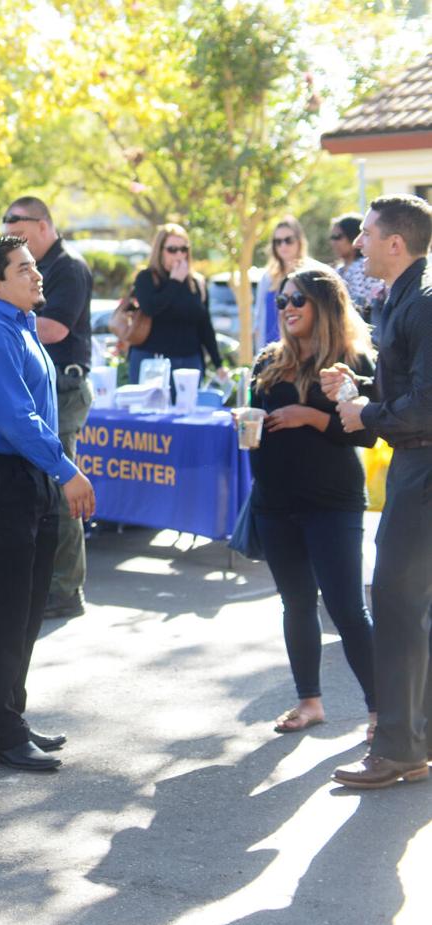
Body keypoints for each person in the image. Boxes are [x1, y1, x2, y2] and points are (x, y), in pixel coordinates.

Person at [0, 235, 94, 772]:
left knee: (28, 608)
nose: (37, 276)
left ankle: (12, 716)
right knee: (4, 613)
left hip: (26, 476)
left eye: (35, 266)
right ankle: (1, 734)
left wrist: (52, 471)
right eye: (23, 269)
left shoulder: (18, 325)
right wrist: (67, 469)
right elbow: (15, 418)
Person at [325, 195, 432, 789]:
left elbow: (426, 406)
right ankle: (413, 738)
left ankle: (398, 750)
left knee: (396, 607)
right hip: (415, 469)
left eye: (366, 234)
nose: (357, 243)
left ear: (396, 242)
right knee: (409, 609)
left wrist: (366, 412)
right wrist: (362, 384)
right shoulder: (409, 294)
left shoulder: (424, 299)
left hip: (423, 471)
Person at [245, 264, 377, 740]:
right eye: (282, 301)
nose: (288, 309)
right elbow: (250, 419)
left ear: (324, 305)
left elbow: (365, 432)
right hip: (275, 502)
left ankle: (382, 713)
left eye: (297, 299)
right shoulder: (268, 360)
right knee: (296, 603)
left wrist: (307, 416)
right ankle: (310, 703)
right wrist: (245, 425)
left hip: (332, 502)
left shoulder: (349, 365)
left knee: (345, 607)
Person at [3, 196, 94, 620]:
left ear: (42, 225)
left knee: (63, 486)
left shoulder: (67, 266)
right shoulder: (39, 267)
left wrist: (2, 320)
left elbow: (55, 328)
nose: (13, 240)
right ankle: (49, 584)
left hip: (66, 387)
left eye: (18, 231)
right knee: (45, 488)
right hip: (45, 386)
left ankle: (65, 590)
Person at [128, 223, 224, 381]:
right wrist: (175, 282)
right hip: (153, 360)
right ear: (160, 251)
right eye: (172, 249)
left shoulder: (196, 283)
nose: (179, 254)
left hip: (189, 362)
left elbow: (204, 325)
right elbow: (150, 308)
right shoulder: (147, 278)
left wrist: (218, 364)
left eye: (184, 249)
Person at [255, 216, 308, 350]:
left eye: (288, 240)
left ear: (299, 241)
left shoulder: (310, 273)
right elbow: (259, 320)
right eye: (278, 241)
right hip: (271, 351)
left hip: (302, 350)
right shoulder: (267, 277)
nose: (283, 245)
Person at [329, 213, 381, 318]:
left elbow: (370, 307)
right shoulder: (337, 271)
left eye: (338, 237)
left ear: (353, 236)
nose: (333, 242)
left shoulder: (366, 267)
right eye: (332, 237)